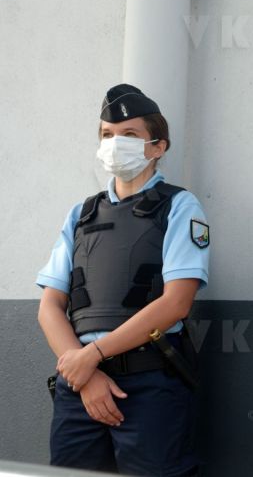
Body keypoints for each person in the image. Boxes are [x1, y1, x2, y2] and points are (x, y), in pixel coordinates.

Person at [36, 84, 210, 475]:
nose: (115, 143)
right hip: (78, 386)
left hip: (148, 383)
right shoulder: (81, 215)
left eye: (129, 135)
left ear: (157, 146)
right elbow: (50, 306)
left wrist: (94, 357)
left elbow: (175, 303)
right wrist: (83, 374)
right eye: (107, 135)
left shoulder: (179, 206)